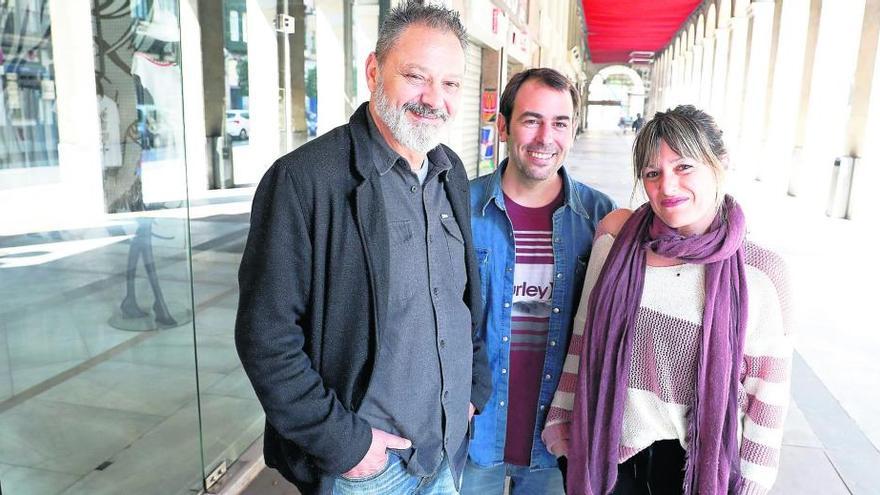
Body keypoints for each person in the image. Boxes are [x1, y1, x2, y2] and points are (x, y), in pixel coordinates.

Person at [234, 3, 491, 494]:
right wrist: (344, 445)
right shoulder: (305, 180)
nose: (434, 99)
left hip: (445, 447)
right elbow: (265, 337)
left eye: (451, 83)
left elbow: (459, 299)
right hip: (369, 470)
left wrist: (472, 389)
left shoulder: (449, 171)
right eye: (416, 76)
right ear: (375, 70)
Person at [543, 105, 792, 495]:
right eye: (653, 173)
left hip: (695, 469)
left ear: (719, 163)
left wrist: (751, 485)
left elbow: (768, 393)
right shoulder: (616, 243)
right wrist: (561, 425)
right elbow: (582, 338)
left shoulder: (760, 273)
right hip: (605, 454)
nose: (668, 187)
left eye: (684, 167)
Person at [463, 68, 616, 494]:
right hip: (473, 436)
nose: (545, 137)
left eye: (560, 123)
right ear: (504, 125)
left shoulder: (601, 217)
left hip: (556, 443)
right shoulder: (460, 206)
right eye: (531, 120)